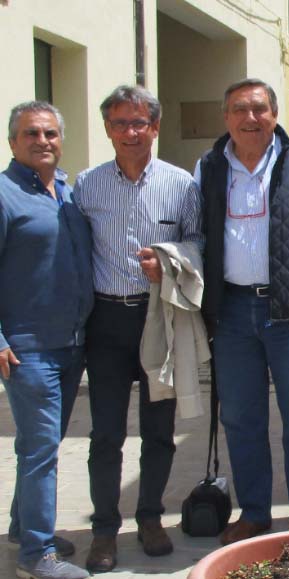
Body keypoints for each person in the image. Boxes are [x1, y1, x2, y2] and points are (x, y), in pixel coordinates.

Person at [196, 78, 289, 544]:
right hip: (232, 312)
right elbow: (196, 232)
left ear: (275, 115)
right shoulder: (209, 166)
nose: (251, 118)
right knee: (241, 419)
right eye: (240, 109)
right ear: (226, 117)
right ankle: (255, 513)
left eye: (259, 108)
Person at [74, 85, 203, 573]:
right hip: (106, 321)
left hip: (158, 317)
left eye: (139, 123)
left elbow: (198, 242)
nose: (130, 132)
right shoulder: (86, 186)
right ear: (108, 129)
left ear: (155, 127)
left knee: (159, 431)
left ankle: (150, 517)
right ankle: (104, 529)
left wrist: (167, 264)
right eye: (120, 123)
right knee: (106, 433)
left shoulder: (181, 184)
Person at [1, 102, 92, 579]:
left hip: (71, 342)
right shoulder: (4, 194)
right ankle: (36, 556)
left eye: (51, 133)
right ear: (12, 142)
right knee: (41, 451)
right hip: (27, 346)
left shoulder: (68, 193)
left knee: (41, 444)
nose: (43, 141)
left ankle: (23, 529)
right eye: (31, 133)